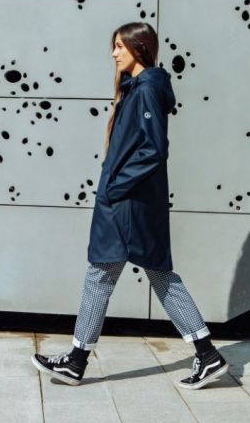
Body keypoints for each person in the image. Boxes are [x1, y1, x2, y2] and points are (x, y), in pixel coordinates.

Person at [31, 22, 228, 390]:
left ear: (138, 48)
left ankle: (76, 362)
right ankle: (207, 354)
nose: (114, 53)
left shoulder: (147, 89)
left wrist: (116, 188)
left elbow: (154, 149)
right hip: (129, 202)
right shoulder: (137, 89)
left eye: (119, 46)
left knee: (101, 275)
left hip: (127, 204)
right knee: (156, 274)